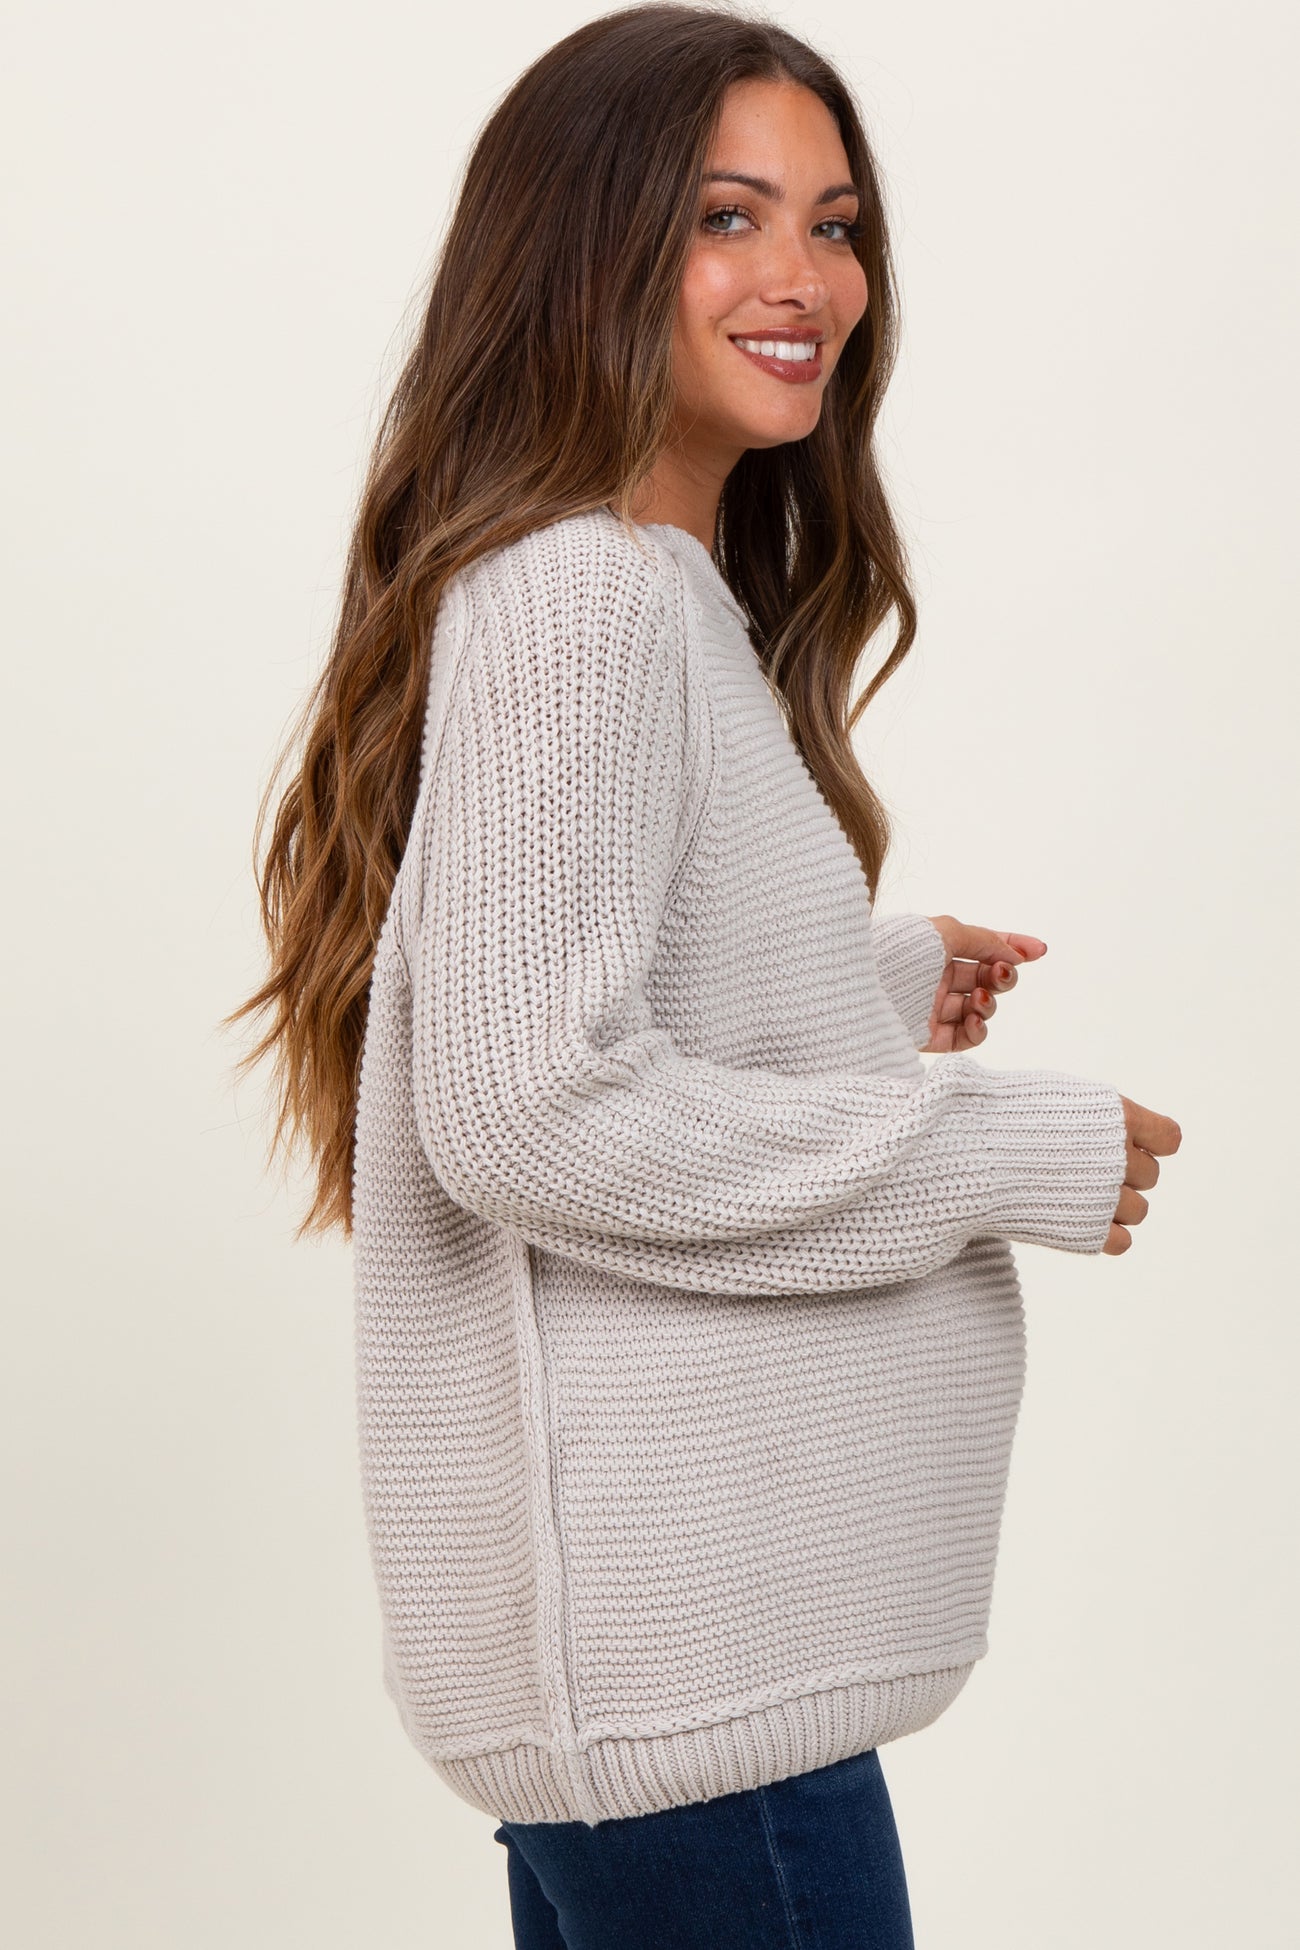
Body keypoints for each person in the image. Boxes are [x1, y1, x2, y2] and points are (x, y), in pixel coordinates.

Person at [225, 6, 1181, 1944]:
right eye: (725, 218)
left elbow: (553, 1004)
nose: (801, 279)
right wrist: (990, 1150)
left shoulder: (646, 588)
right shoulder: (582, 596)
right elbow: (526, 1109)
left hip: (690, 1683)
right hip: (692, 1700)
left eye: (833, 224)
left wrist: (857, 981)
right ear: (584, 250)